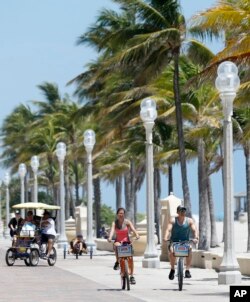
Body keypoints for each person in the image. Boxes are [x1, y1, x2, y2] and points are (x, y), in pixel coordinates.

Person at [164, 205, 199, 280]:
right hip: (174, 241)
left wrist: (196, 237)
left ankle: (187, 270)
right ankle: (172, 269)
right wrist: (165, 237)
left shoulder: (189, 221)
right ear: (177, 212)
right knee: (172, 251)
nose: (183, 212)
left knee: (189, 249)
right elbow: (168, 230)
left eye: (184, 210)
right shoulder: (173, 220)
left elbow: (194, 230)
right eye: (181, 210)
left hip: (185, 242)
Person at [107, 207, 140, 285]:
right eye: (119, 213)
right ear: (117, 214)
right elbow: (112, 231)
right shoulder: (114, 223)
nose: (121, 215)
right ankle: (117, 261)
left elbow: (133, 229)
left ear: (124, 214)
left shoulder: (127, 222)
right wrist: (110, 237)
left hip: (127, 242)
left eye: (122, 213)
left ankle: (131, 276)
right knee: (116, 245)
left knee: (131, 259)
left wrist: (137, 234)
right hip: (118, 241)